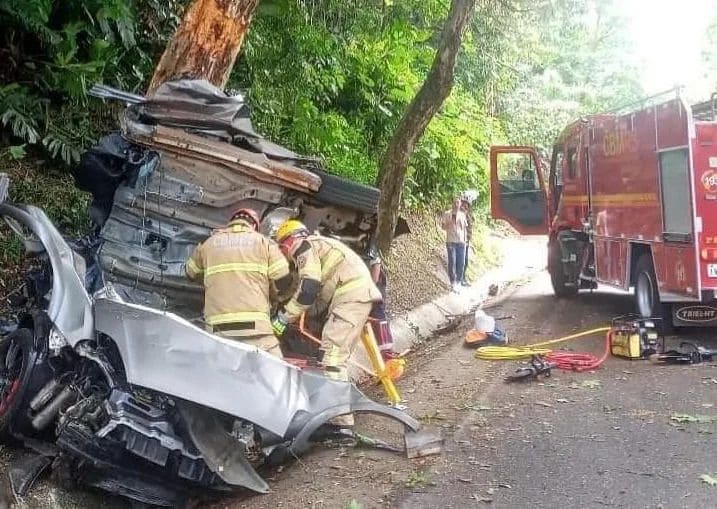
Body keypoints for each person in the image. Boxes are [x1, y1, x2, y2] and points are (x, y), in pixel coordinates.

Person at [271, 220, 382, 426]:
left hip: (351, 298)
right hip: (354, 296)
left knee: (332, 359)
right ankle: (339, 416)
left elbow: (309, 288)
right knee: (335, 358)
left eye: (280, 247)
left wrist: (283, 319)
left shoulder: (303, 246)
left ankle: (340, 423)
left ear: (287, 242)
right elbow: (314, 295)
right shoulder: (319, 246)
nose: (282, 253)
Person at [185, 208, 292, 358]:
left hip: (218, 328)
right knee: (275, 372)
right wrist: (274, 297)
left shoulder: (208, 244)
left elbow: (189, 273)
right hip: (255, 328)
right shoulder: (263, 243)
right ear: (254, 225)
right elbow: (284, 280)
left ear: (231, 222)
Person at [365, 245, 397, 360]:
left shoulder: (370, 245)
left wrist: (370, 289)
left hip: (373, 287)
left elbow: (376, 267)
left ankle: (387, 354)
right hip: (358, 287)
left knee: (378, 317)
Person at [440, 196, 468, 292]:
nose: (456, 204)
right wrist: (450, 223)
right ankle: (453, 282)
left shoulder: (462, 215)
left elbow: (464, 228)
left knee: (461, 263)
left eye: (458, 203)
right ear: (452, 203)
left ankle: (459, 281)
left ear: (460, 204)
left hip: (461, 242)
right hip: (451, 241)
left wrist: (465, 240)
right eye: (455, 202)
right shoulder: (447, 214)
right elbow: (443, 227)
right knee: (452, 262)